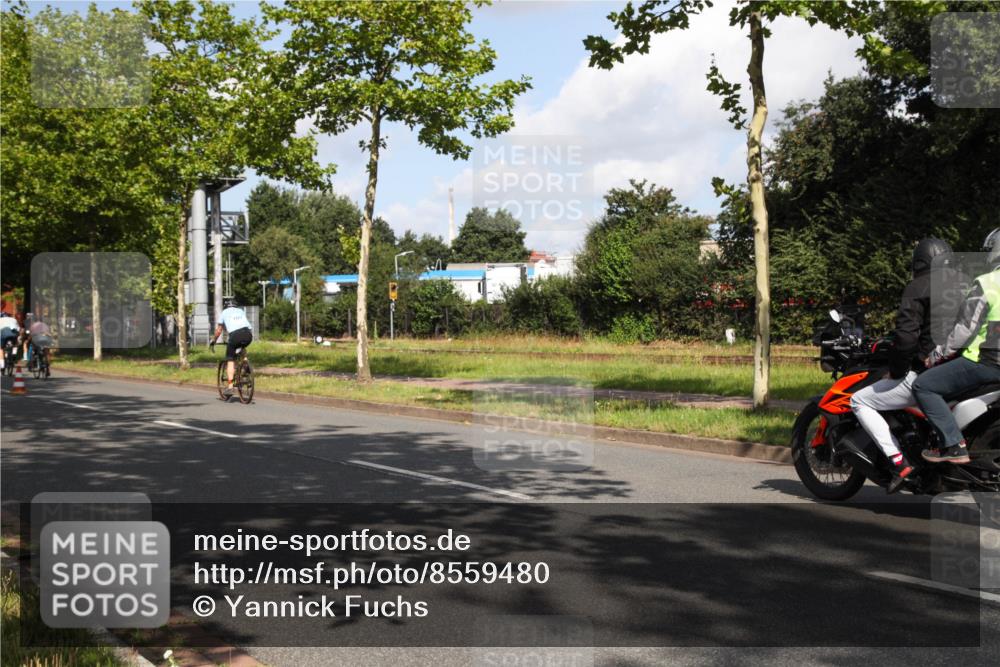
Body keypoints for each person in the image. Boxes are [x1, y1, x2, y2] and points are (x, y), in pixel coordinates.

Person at [850, 237, 965, 493]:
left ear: (920, 261)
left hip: (931, 374)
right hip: (966, 370)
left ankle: (899, 461)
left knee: (859, 400)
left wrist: (898, 370)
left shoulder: (919, 286)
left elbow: (906, 337)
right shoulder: (967, 285)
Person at [914, 228, 1000, 464]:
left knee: (924, 386)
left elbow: (964, 330)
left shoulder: (988, 283)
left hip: (987, 363)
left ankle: (953, 445)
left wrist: (936, 355)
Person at [210, 299, 253, 397]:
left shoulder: (224, 312)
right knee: (242, 346)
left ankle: (230, 386)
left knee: (230, 360)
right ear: (235, 306)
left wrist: (214, 340)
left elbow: (219, 330)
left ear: (226, 306)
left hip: (235, 336)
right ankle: (246, 363)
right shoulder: (241, 311)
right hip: (248, 334)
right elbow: (248, 327)